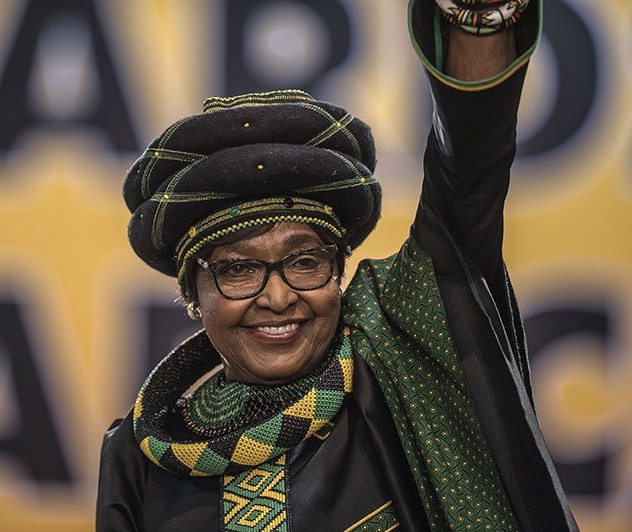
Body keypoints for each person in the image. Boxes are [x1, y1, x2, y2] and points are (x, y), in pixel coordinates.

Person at [98, 0, 578, 530]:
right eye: (237, 270)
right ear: (192, 293)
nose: (278, 297)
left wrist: (479, 16)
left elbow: (468, 172)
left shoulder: (404, 353)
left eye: (305, 262)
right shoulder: (136, 462)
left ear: (340, 270)